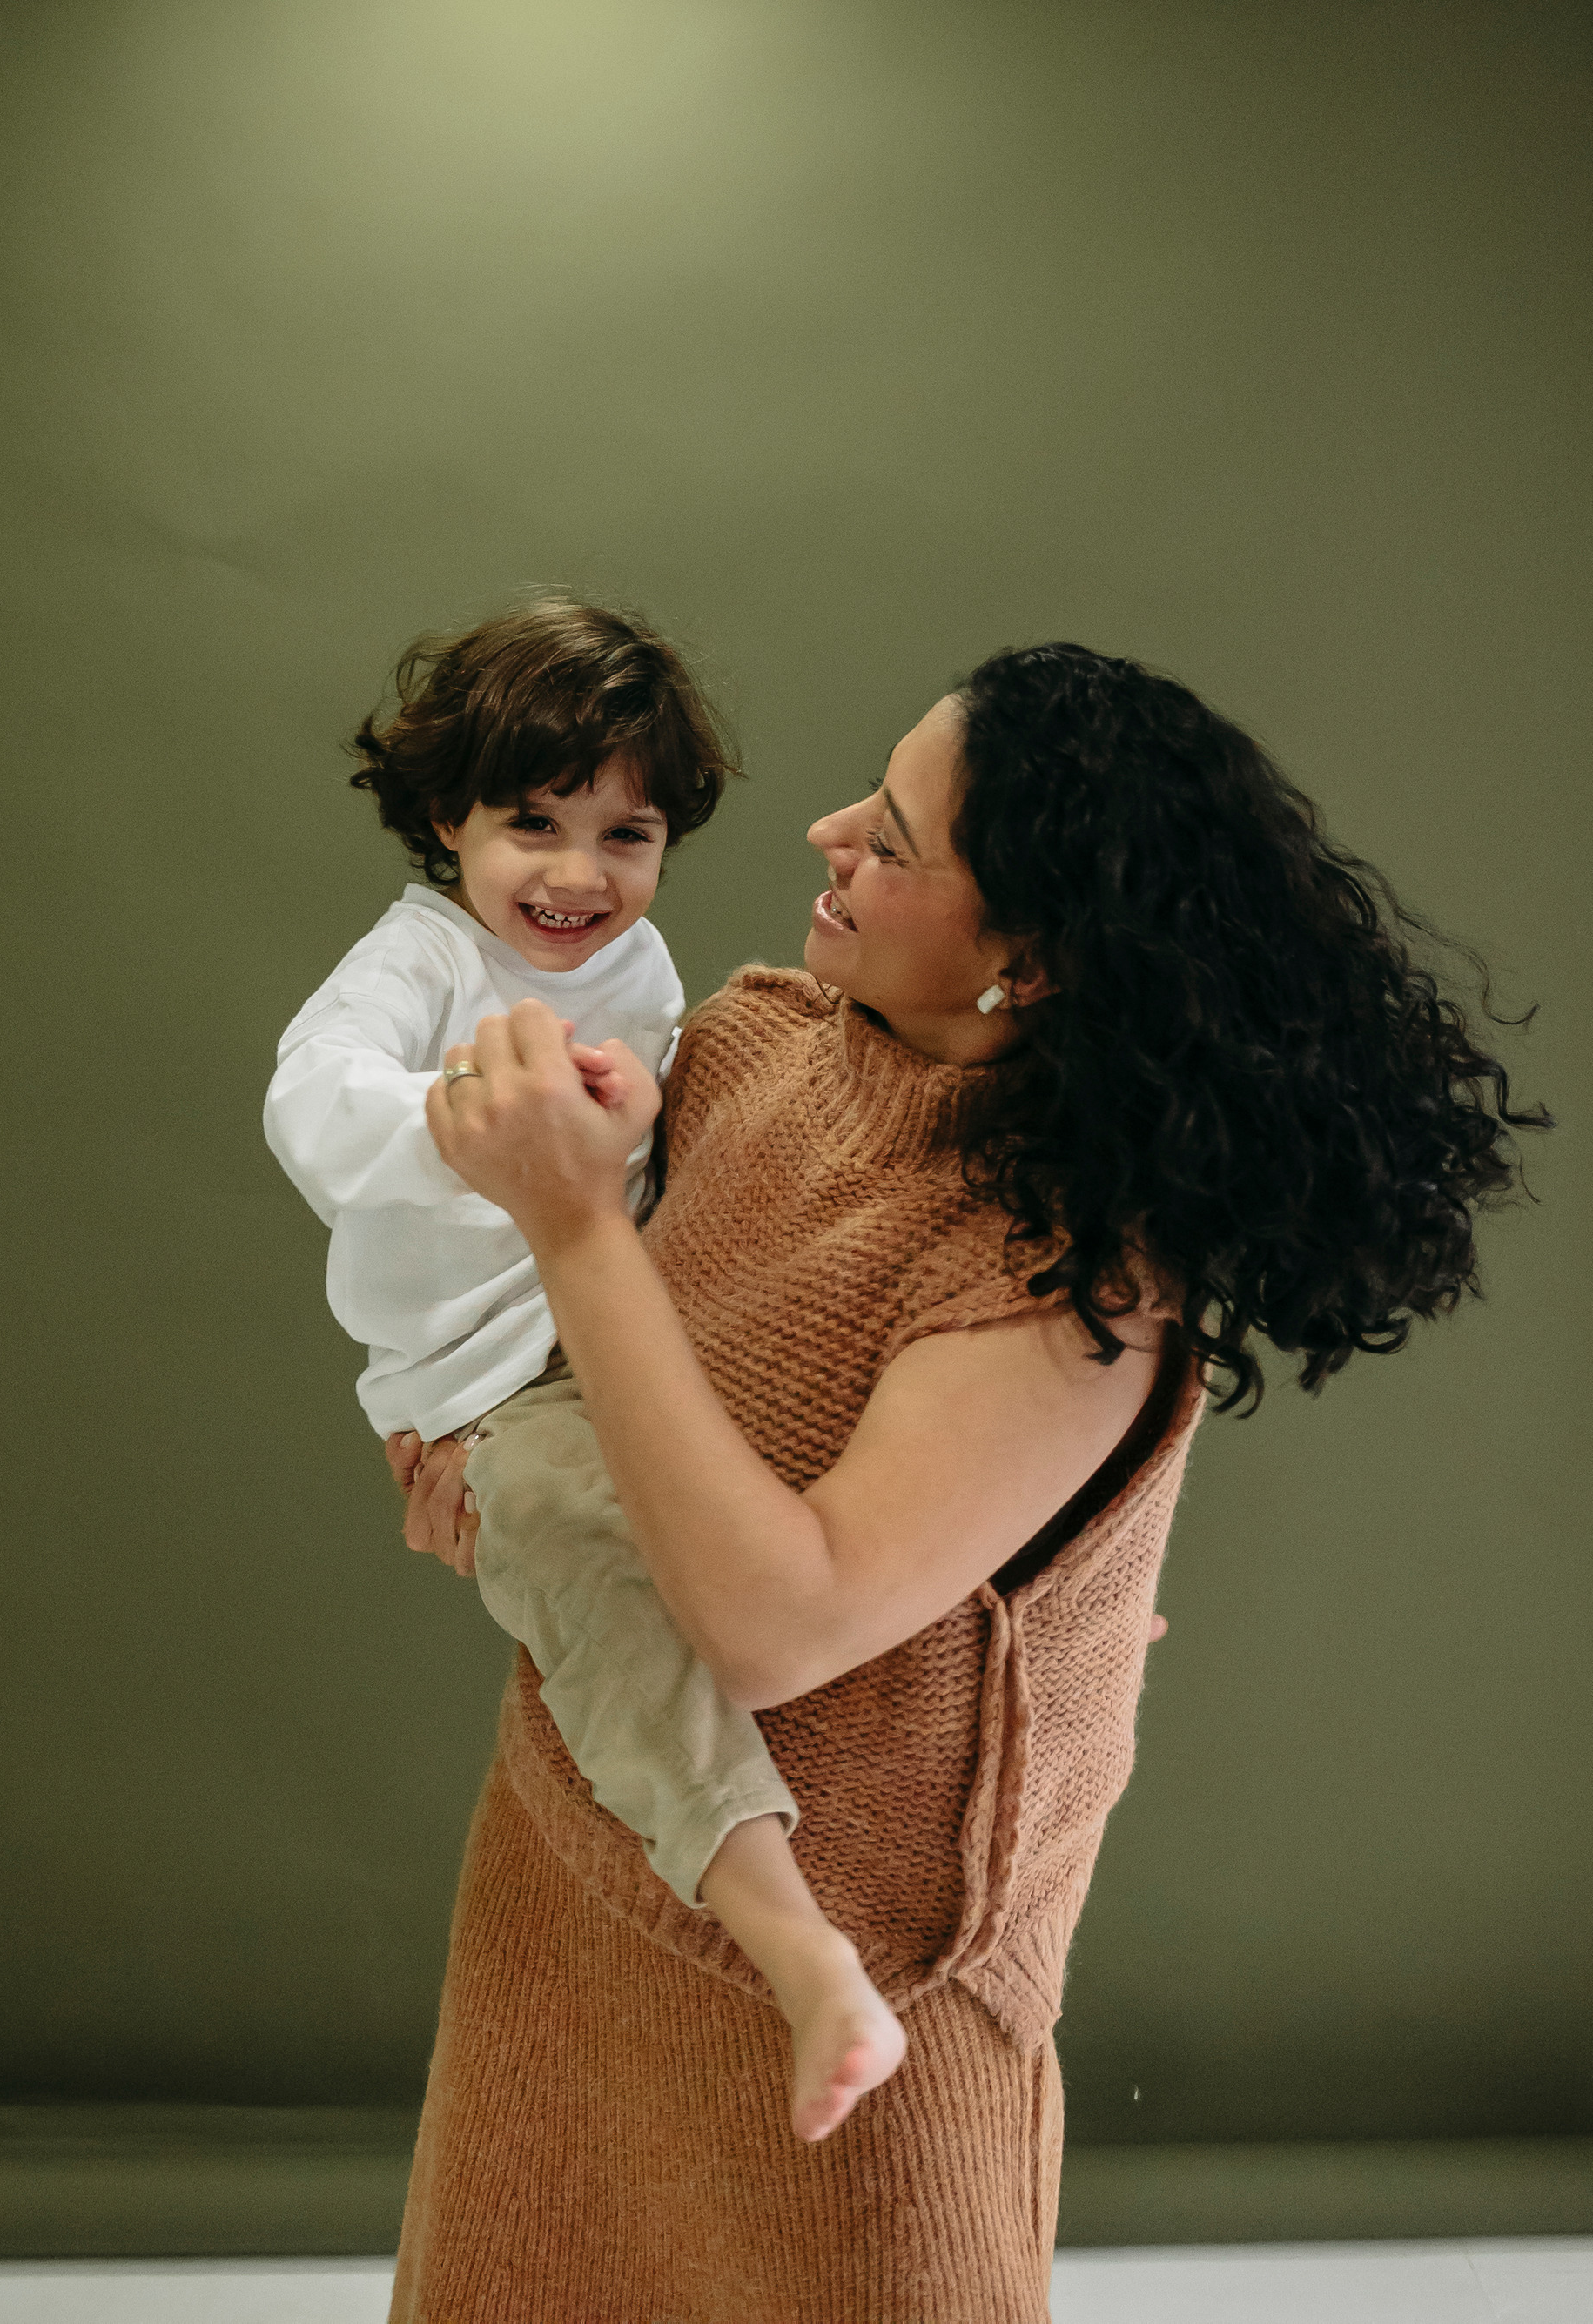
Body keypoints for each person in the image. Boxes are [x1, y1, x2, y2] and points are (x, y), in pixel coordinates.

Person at [384, 641, 1546, 2324]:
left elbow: (777, 1624)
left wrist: (573, 1227)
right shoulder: (748, 1046)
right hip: (573, 1881)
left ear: (1035, 959)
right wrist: (477, 1468)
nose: (829, 834)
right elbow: (611, 1401)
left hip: (865, 1999)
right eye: (869, 795)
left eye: (896, 837)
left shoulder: (1072, 1281)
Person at [264, 598, 910, 2146]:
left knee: (830, 1426)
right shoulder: (423, 957)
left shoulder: (647, 966)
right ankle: (790, 1934)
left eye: (627, 836)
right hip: (492, 1387)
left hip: (633, 1324)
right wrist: (482, 1119)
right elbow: (312, 1105)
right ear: (449, 821)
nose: (577, 877)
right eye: (533, 825)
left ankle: (1025, 1567)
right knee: (588, 1558)